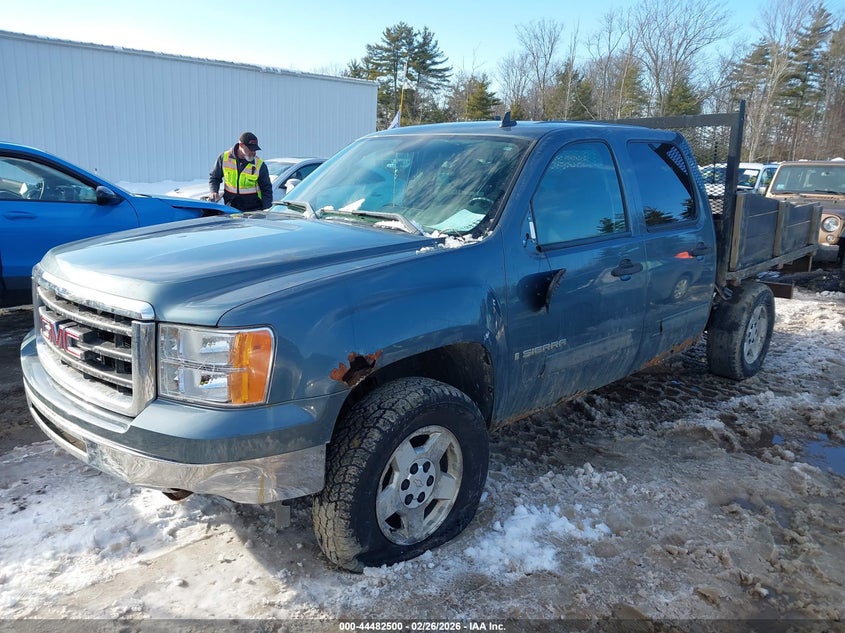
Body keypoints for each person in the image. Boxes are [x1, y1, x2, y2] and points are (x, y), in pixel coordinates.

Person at [208, 132, 273, 211]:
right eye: (250, 149)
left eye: (255, 149)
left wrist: (266, 210)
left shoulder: (259, 165)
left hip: (253, 211)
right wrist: (214, 191)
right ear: (241, 145)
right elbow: (214, 177)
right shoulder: (224, 158)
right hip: (231, 208)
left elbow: (266, 190)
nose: (253, 152)